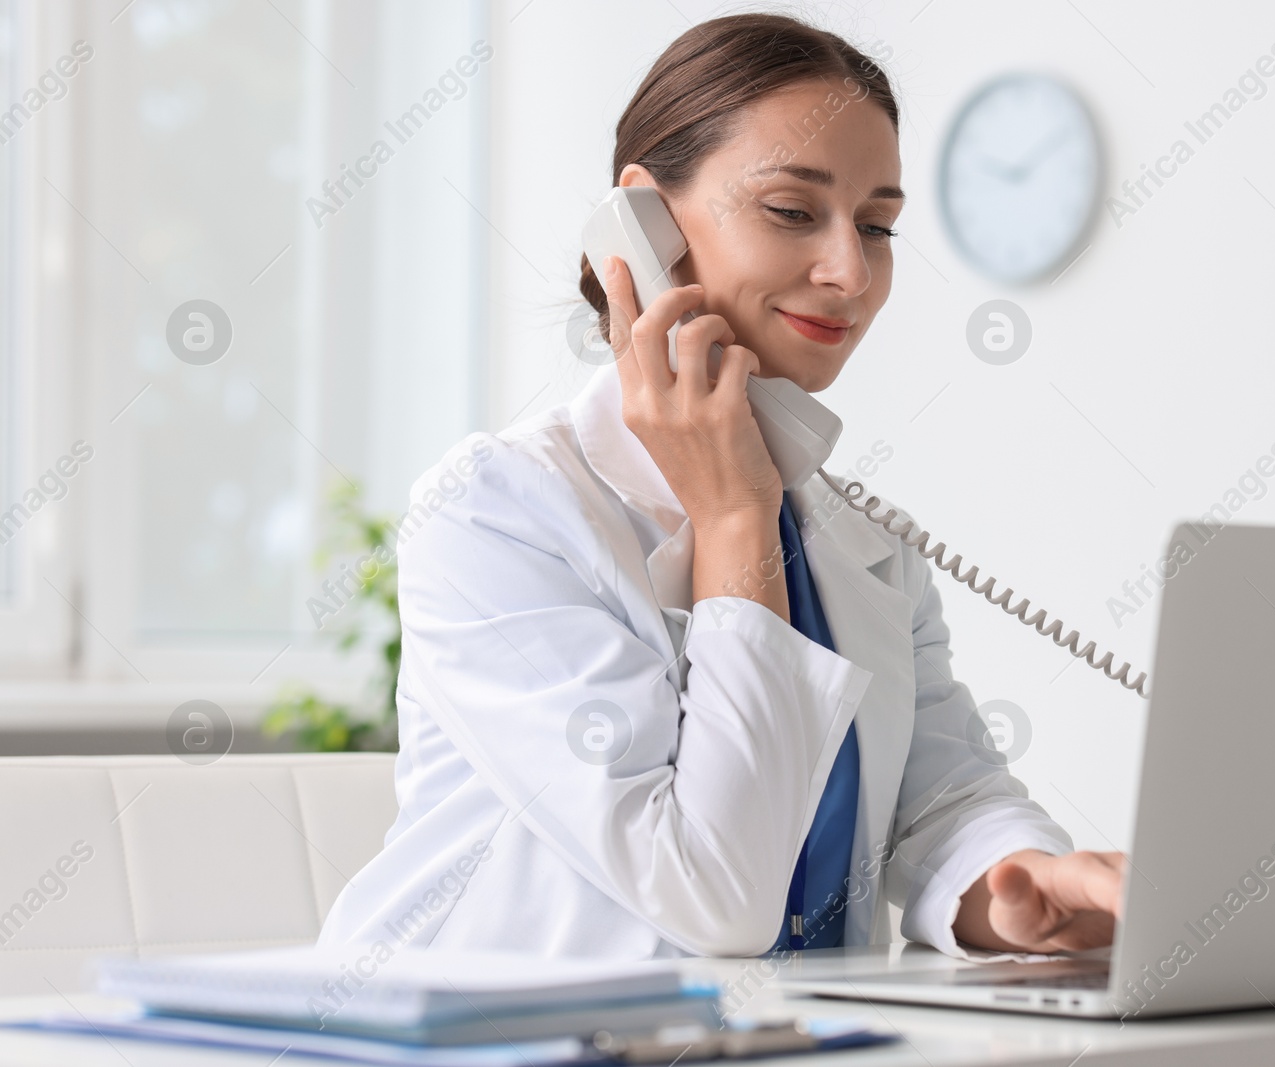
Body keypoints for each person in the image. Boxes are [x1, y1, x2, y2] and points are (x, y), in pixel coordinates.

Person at [317, 11, 1124, 961]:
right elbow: (713, 896)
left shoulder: (867, 544)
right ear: (647, 226)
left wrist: (1022, 880)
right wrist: (736, 514)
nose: (850, 271)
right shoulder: (496, 515)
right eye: (791, 210)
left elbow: (940, 794)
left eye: (878, 226)